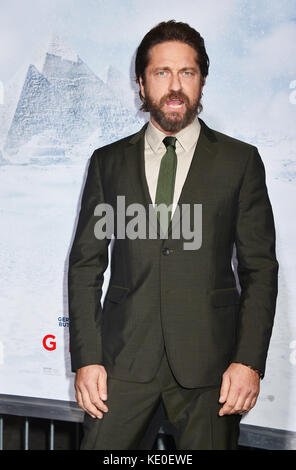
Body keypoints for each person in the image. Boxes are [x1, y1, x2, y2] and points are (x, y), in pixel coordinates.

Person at [68, 20, 279, 450]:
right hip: (121, 366)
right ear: (142, 85)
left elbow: (260, 269)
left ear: (202, 81)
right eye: (162, 73)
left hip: (212, 371)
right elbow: (86, 266)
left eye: (188, 72)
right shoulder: (107, 163)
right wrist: (87, 359)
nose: (175, 85)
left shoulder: (240, 162)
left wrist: (248, 362)